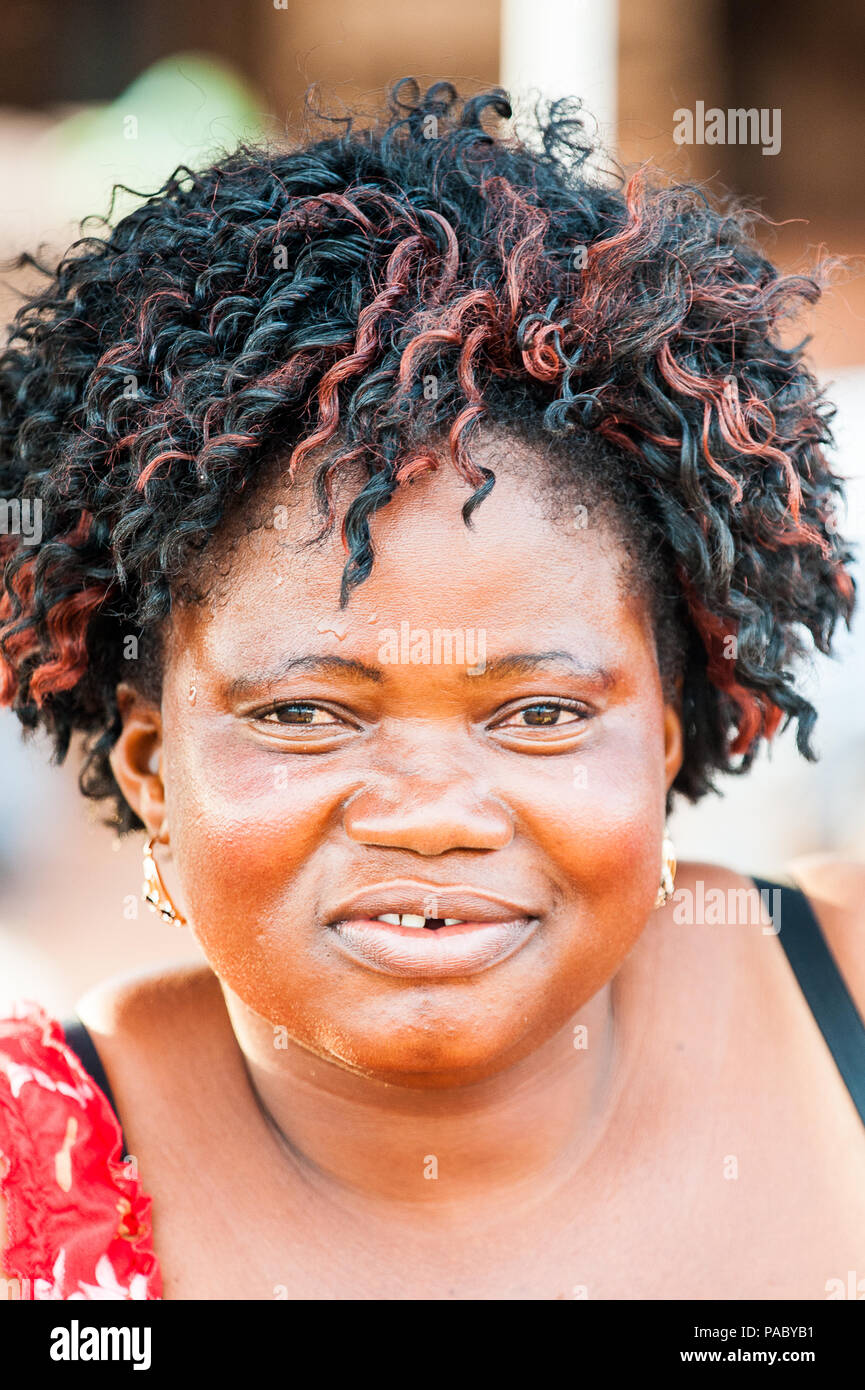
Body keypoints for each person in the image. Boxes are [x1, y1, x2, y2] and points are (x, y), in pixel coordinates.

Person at [0, 79, 863, 1301]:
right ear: (151, 768)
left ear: (665, 741)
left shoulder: (849, 1005)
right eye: (303, 714)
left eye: (540, 713)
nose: (431, 811)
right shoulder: (29, 1183)